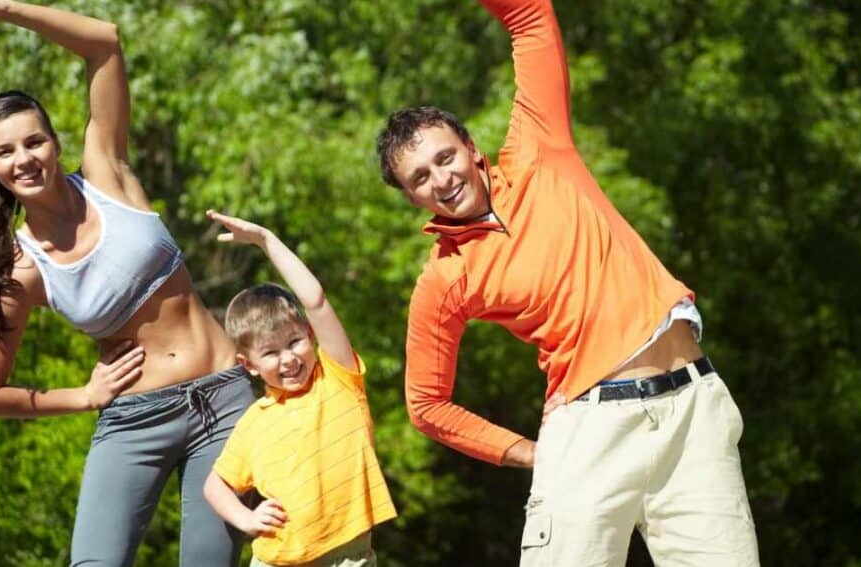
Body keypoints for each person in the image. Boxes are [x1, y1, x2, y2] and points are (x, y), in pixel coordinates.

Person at [375, 0, 759, 565]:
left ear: (472, 149)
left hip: (694, 414)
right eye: (420, 178)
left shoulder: (539, 151)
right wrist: (528, 453)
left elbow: (529, 16)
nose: (442, 178)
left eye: (445, 157)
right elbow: (426, 404)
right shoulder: (445, 277)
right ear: (412, 198)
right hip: (592, 433)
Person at [0, 1, 254, 565]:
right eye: (5, 151)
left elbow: (105, 42)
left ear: (55, 142)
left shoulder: (107, 171)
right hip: (134, 420)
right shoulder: (21, 271)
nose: (24, 158)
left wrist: (2, 10)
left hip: (223, 398)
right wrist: (83, 396)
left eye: (34, 141)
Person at [201, 210, 397, 567]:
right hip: (277, 560)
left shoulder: (338, 380)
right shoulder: (255, 422)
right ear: (250, 366)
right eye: (271, 353)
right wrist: (246, 519)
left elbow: (316, 301)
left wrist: (266, 241)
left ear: (310, 336)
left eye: (294, 343)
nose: (288, 359)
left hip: (347, 558)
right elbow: (214, 486)